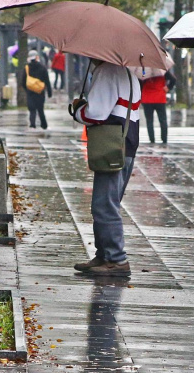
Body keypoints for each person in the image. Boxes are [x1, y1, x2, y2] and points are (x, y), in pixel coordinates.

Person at [71, 60, 141, 277]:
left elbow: (96, 113)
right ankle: (104, 255)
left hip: (111, 142)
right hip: (126, 141)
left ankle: (116, 258)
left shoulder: (106, 72)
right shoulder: (128, 73)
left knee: (104, 204)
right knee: (109, 201)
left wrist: (78, 110)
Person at [140, 69, 176, 143]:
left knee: (149, 121)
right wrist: (168, 87)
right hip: (160, 98)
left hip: (147, 98)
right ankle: (164, 139)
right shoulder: (162, 70)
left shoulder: (143, 71)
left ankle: (152, 139)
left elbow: (139, 83)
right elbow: (173, 79)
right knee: (163, 120)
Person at [22, 50, 52, 129]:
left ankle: (32, 124)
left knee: (32, 109)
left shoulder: (27, 68)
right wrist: (49, 92)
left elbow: (23, 81)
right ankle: (44, 124)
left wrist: (27, 89)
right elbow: (47, 80)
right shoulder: (42, 67)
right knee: (40, 109)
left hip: (30, 91)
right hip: (40, 91)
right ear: (37, 57)